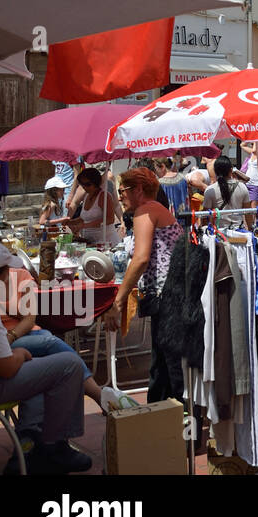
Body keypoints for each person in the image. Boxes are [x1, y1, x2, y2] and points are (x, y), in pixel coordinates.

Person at [0, 237, 91, 474]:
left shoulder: (14, 286)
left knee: (45, 356)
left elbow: (29, 318)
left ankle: (28, 441)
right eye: (5, 272)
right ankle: (54, 446)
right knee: (67, 364)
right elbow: (6, 368)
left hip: (11, 347)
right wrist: (20, 355)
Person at [101, 168, 186, 404]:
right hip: (171, 295)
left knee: (172, 368)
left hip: (168, 297)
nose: (119, 197)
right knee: (162, 366)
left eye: (122, 191)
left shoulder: (145, 211)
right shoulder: (155, 210)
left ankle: (185, 428)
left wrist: (118, 301)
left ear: (138, 190)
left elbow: (140, 259)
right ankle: (159, 417)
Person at [66, 167, 123, 245]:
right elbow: (86, 217)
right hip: (91, 242)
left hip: (106, 242)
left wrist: (84, 225)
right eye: (83, 185)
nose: (85, 187)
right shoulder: (87, 196)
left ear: (95, 183)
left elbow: (109, 219)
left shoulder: (104, 196)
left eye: (88, 184)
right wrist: (73, 221)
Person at [201, 156, 250, 223]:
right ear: (231, 170)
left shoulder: (210, 190)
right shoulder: (242, 187)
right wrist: (250, 229)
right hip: (238, 230)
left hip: (217, 231)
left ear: (215, 171)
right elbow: (248, 213)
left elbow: (205, 216)